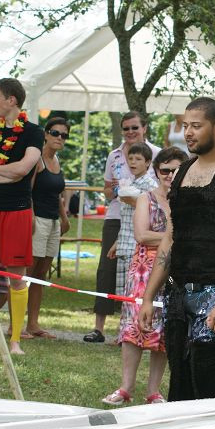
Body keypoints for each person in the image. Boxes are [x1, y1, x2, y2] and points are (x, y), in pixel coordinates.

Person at [137, 97, 215, 401]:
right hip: (178, 291)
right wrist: (148, 297)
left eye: (196, 126)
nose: (189, 132)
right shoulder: (182, 172)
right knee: (180, 378)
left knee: (209, 379)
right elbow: (170, 238)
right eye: (185, 126)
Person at [103, 147, 188, 406]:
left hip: (176, 270)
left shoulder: (187, 201)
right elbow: (142, 235)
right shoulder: (146, 198)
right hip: (143, 270)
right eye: (165, 170)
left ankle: (154, 391)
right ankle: (126, 387)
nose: (170, 175)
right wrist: (178, 237)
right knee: (134, 328)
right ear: (157, 171)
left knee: (164, 331)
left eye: (176, 170)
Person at [0, 77, 44, 356]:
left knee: (16, 275)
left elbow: (24, 170)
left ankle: (15, 340)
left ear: (11, 100)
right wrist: (7, 173)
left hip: (18, 210)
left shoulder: (34, 132)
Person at [83, 111, 160, 343]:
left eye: (134, 127)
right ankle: (99, 327)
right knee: (107, 269)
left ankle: (135, 327)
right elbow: (107, 191)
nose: (130, 132)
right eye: (126, 128)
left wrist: (139, 201)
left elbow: (160, 190)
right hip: (117, 216)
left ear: (144, 128)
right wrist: (115, 190)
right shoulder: (114, 155)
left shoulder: (156, 154)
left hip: (145, 219)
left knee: (138, 274)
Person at [23, 116, 70, 340]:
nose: (60, 138)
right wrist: (30, 215)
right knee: (28, 273)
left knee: (41, 275)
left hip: (53, 222)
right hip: (38, 220)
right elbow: (26, 191)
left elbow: (58, 195)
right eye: (55, 133)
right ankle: (18, 325)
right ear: (46, 134)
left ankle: (33, 324)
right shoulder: (36, 159)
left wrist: (64, 218)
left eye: (64, 135)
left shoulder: (57, 161)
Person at [110, 143, 158, 305]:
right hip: (124, 244)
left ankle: (136, 329)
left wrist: (136, 201)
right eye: (130, 158)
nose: (133, 162)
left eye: (138, 159)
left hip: (138, 248)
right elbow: (127, 219)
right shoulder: (130, 184)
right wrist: (117, 243)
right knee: (125, 296)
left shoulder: (150, 185)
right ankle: (126, 329)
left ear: (148, 163)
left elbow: (154, 212)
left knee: (136, 295)